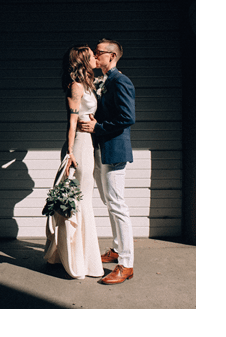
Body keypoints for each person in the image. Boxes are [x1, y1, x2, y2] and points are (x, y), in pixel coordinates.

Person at [78, 38, 136, 285]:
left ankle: (126, 264)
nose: (95, 55)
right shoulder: (103, 81)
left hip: (115, 150)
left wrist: (98, 127)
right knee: (108, 201)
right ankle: (116, 249)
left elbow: (127, 117)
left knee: (117, 204)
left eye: (98, 52)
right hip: (101, 149)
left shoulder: (121, 81)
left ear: (111, 56)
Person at [43, 45, 103, 280]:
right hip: (78, 145)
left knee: (83, 199)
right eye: (91, 55)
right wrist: (70, 153)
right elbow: (72, 122)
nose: (96, 57)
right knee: (80, 200)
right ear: (83, 61)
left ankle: (76, 255)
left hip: (87, 143)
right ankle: (77, 260)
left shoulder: (88, 84)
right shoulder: (76, 86)